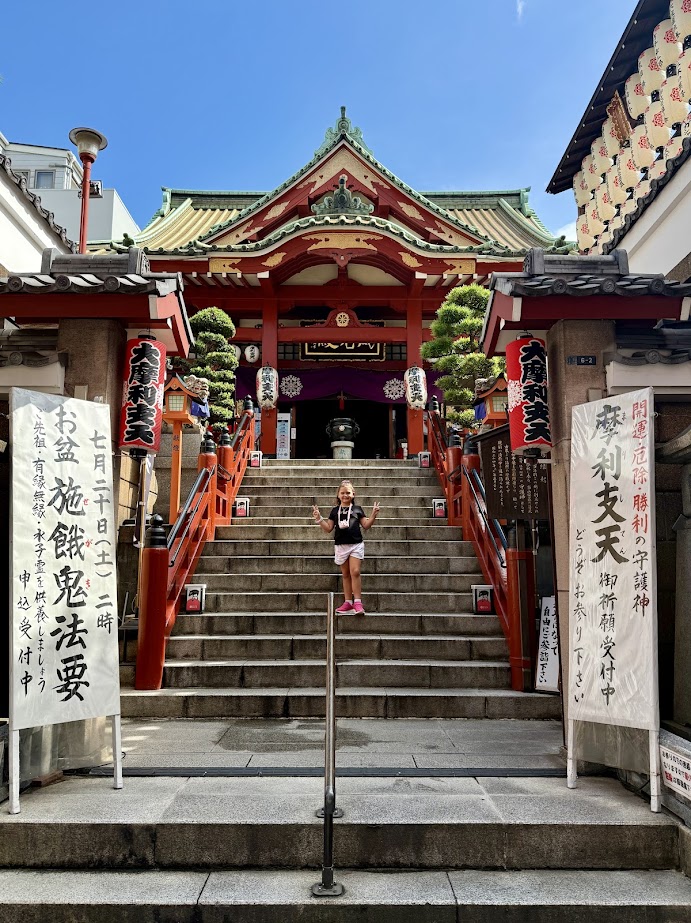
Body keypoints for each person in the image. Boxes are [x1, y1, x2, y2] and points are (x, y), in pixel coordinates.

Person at [312, 479, 380, 615]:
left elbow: (366, 525)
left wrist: (373, 515)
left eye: (348, 493)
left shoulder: (357, 509)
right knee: (345, 574)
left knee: (355, 572)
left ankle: (358, 602)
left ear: (353, 494)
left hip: (356, 544)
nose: (345, 495)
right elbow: (328, 528)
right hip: (341, 545)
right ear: (338, 495)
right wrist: (319, 518)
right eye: (342, 493)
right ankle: (348, 602)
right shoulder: (334, 511)